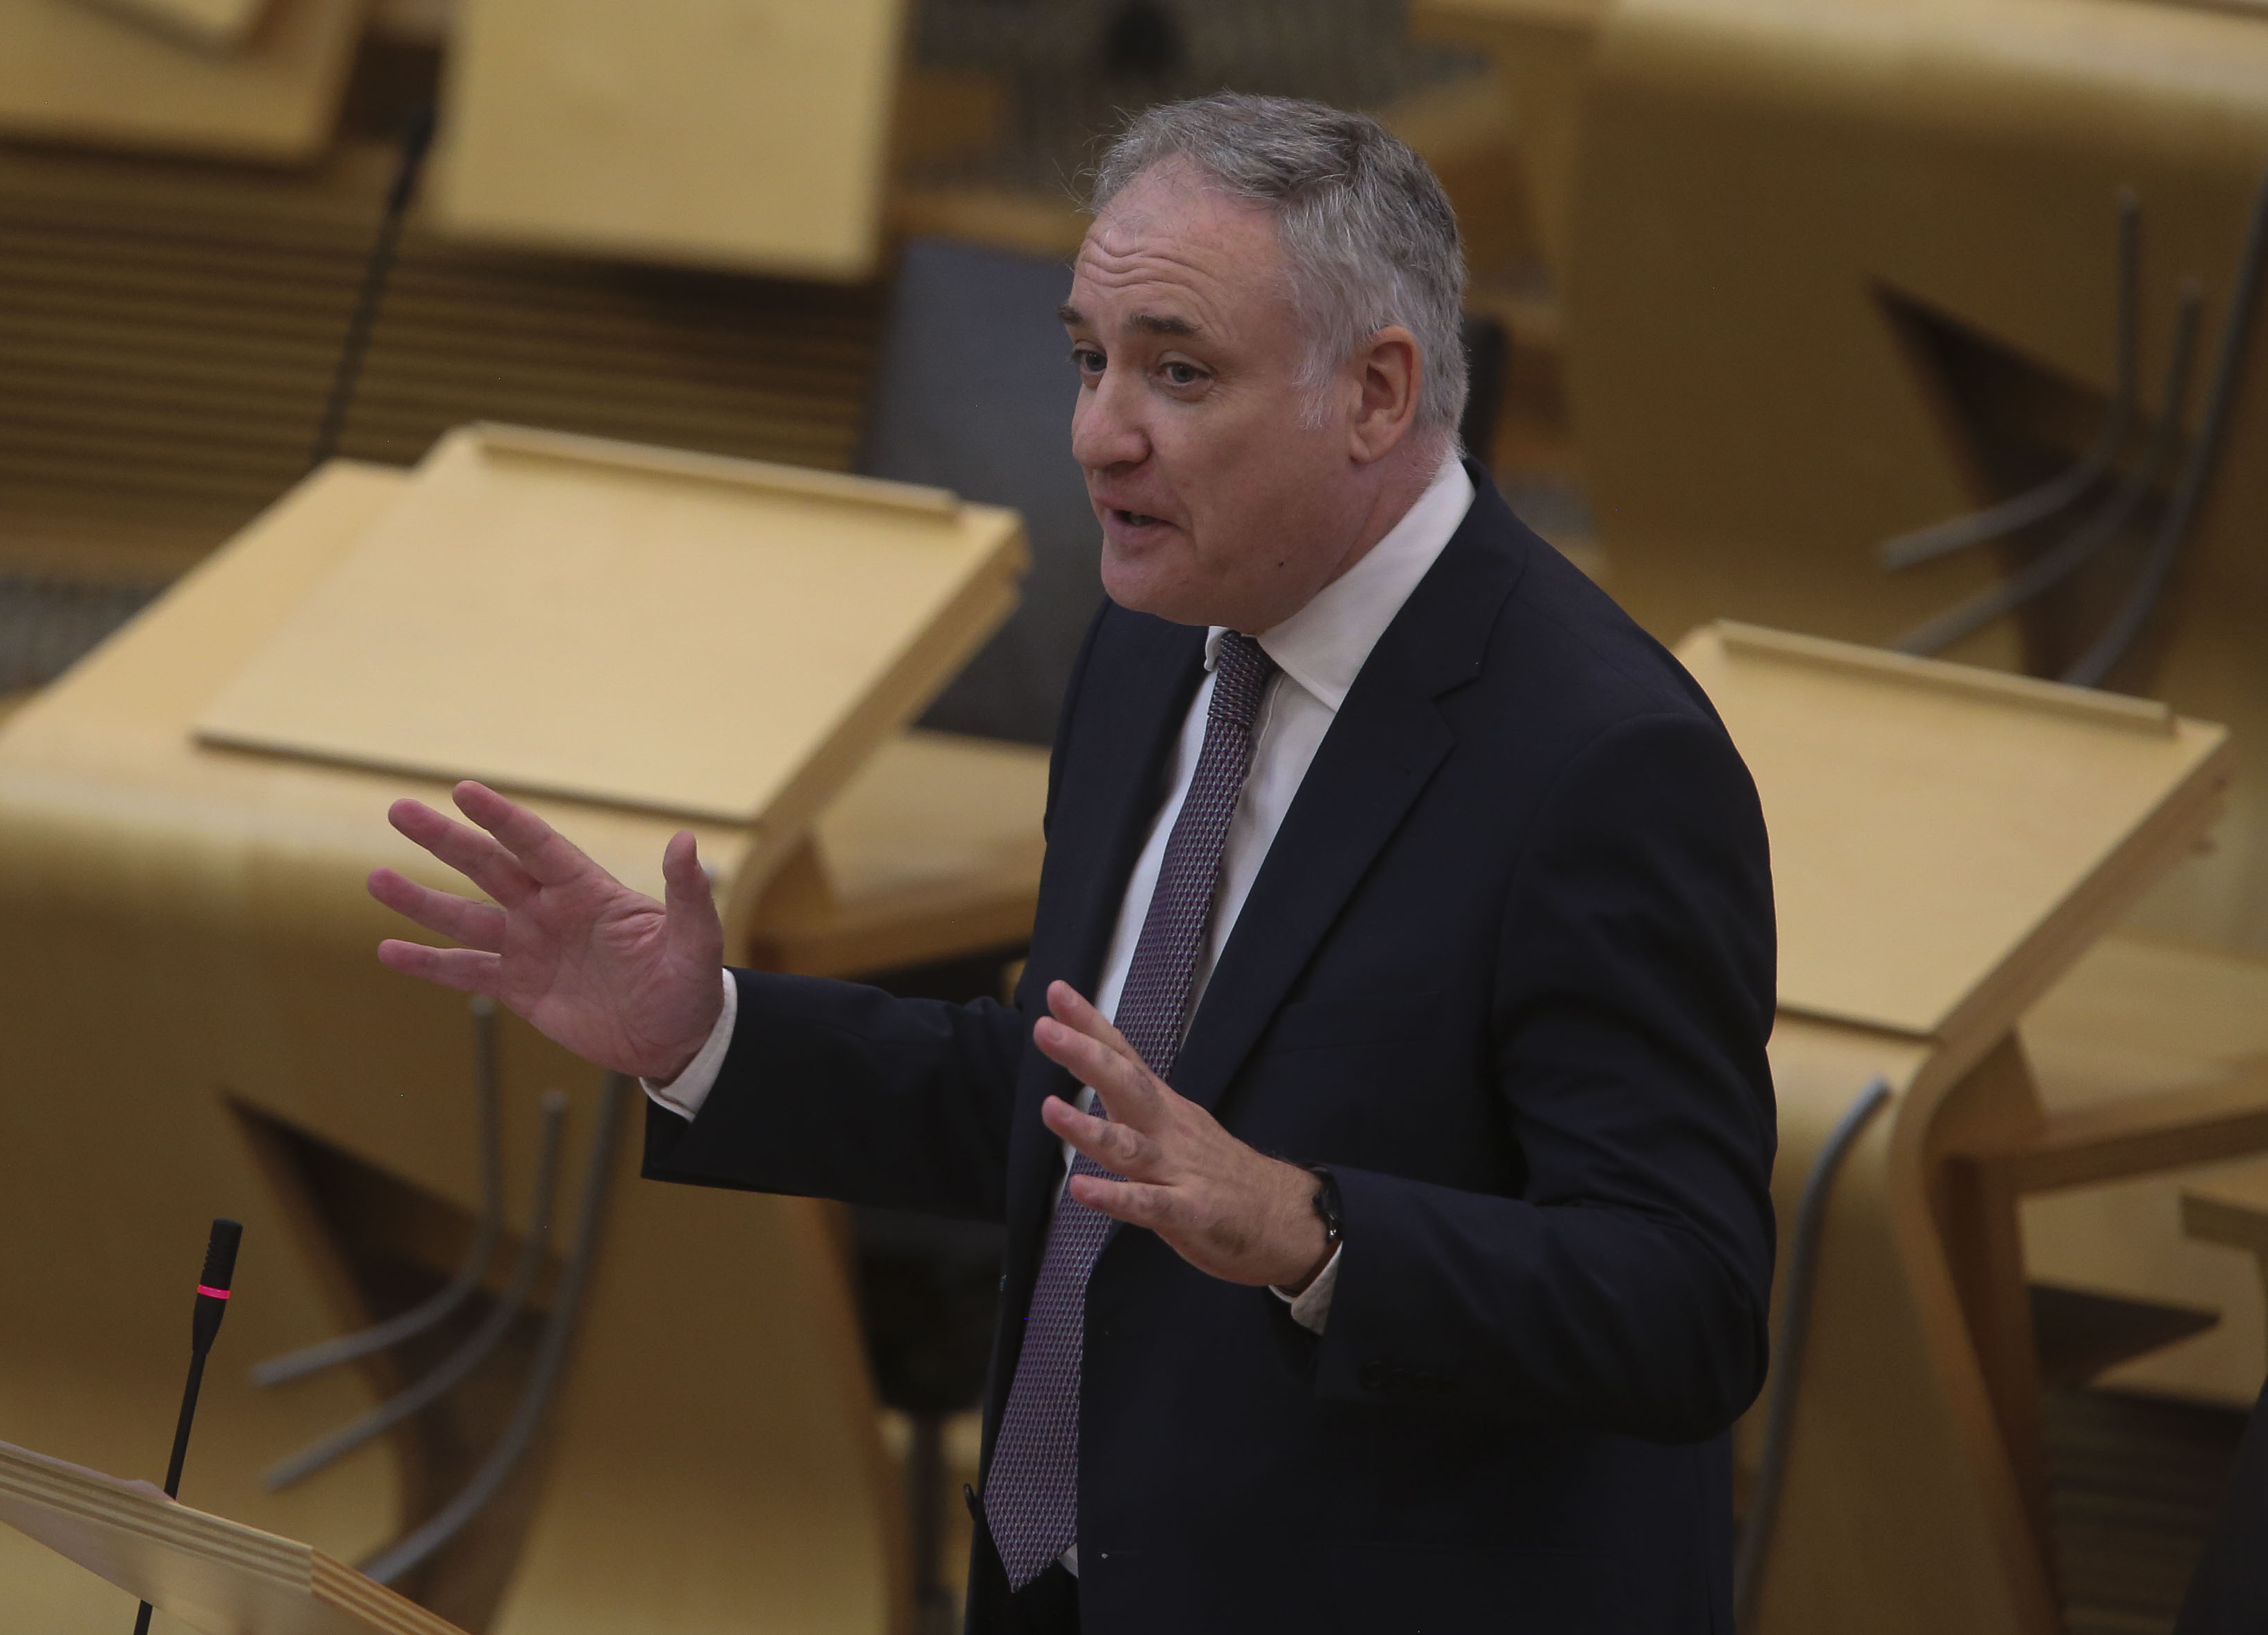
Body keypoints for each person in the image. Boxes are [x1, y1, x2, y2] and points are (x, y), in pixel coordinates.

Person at [369, 93, 1778, 1635]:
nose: (1098, 431)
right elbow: (1081, 1103)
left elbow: (1683, 1300)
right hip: (1070, 1574)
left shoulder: (1599, 758)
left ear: (1375, 392)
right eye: (1088, 359)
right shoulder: (1157, 639)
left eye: (1178, 370)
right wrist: (707, 1032)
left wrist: (1314, 1230)